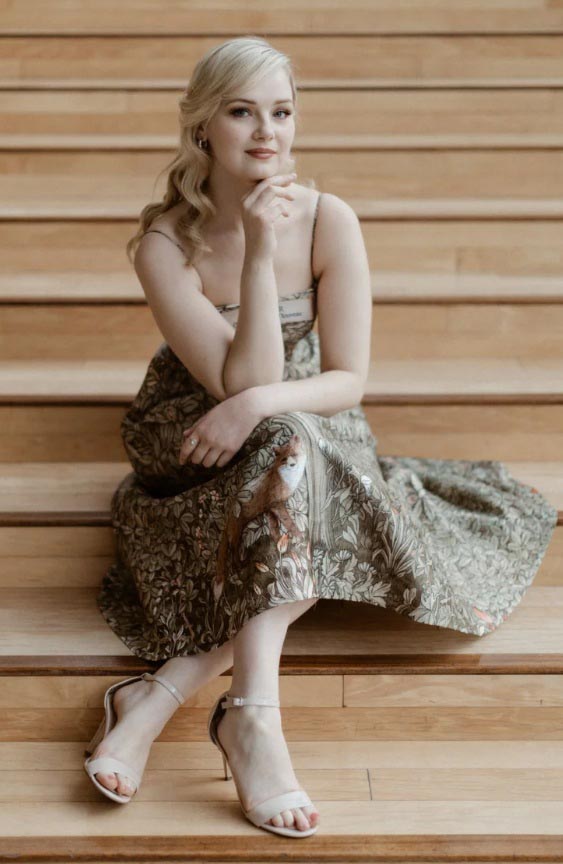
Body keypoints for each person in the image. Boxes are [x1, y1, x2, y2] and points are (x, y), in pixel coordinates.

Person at [84, 36, 558, 838]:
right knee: (285, 456)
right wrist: (258, 253)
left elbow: (346, 378)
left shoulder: (329, 218)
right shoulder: (164, 243)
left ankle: (188, 701)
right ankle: (228, 720)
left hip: (309, 415)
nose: (266, 132)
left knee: (290, 447)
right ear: (203, 127)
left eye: (281, 112)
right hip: (197, 437)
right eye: (242, 112)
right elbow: (234, 385)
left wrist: (261, 403)